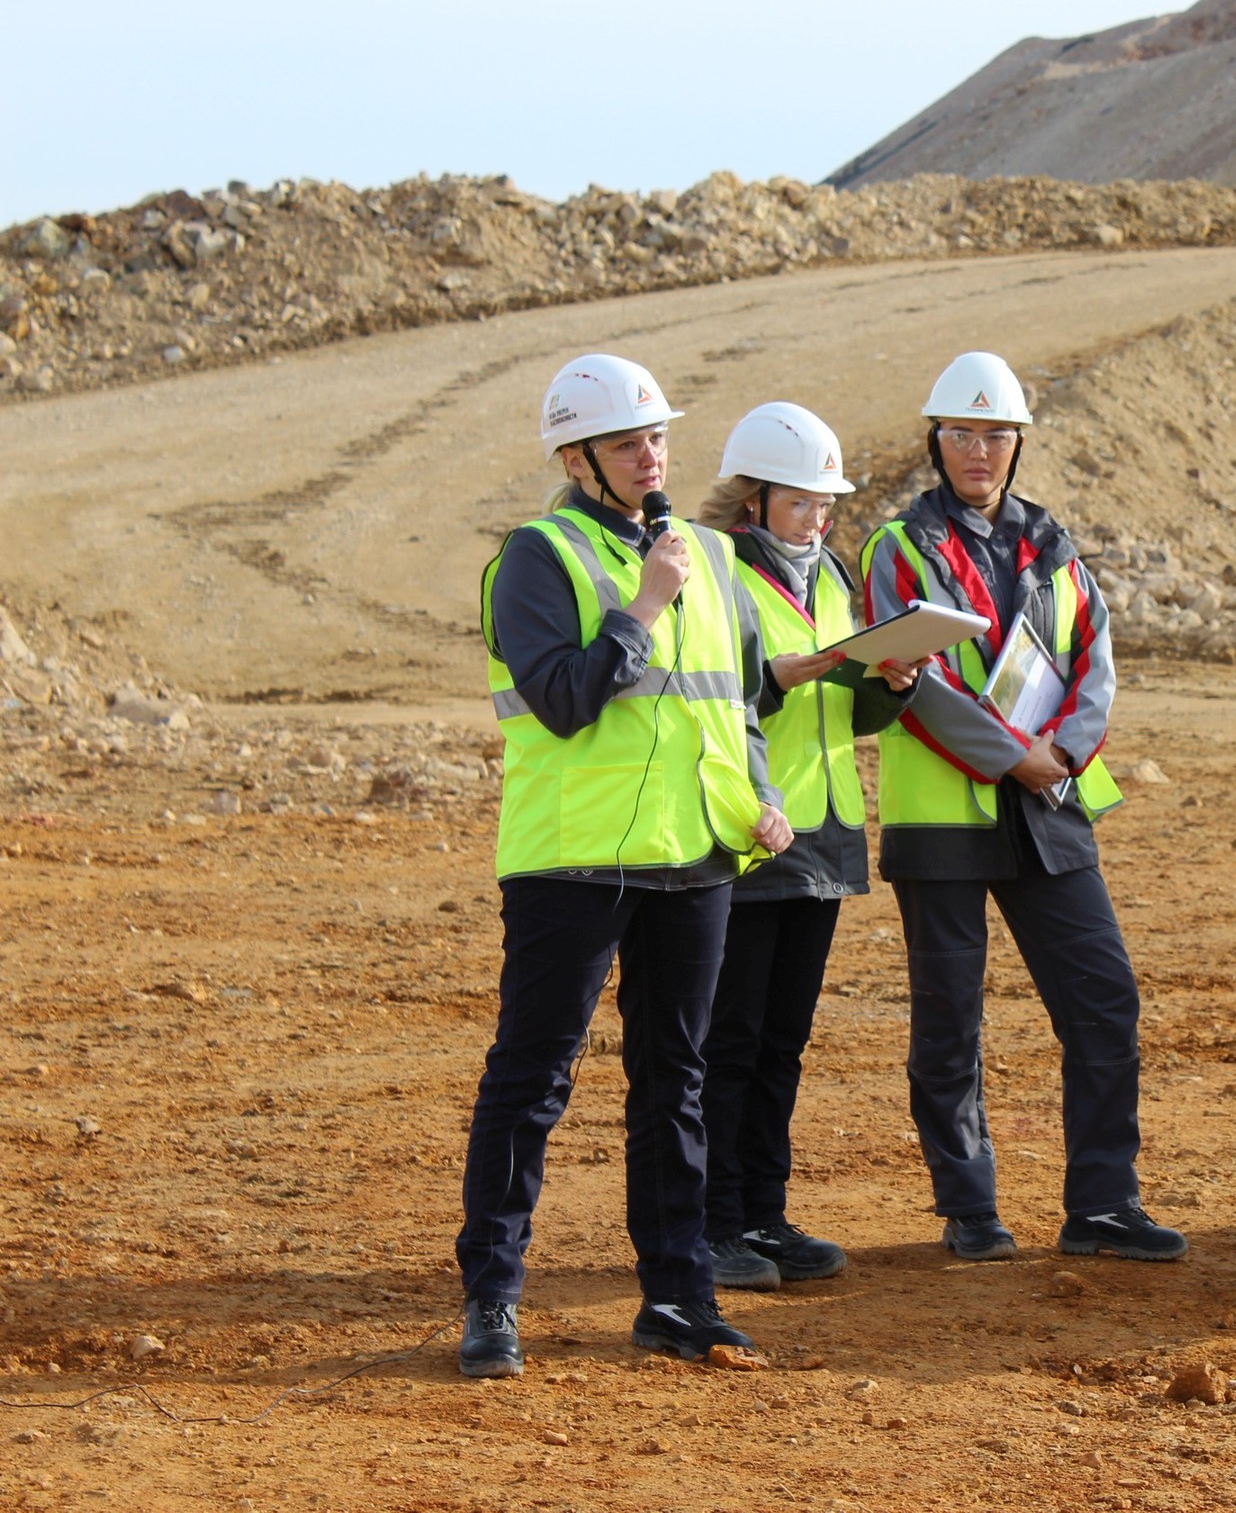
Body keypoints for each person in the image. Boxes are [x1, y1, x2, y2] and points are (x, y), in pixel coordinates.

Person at [456, 354, 793, 1378]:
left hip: (693, 858)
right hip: (573, 862)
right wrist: (640, 607)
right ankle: (492, 1301)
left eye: (656, 438)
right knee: (531, 1081)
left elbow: (733, 700)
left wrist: (761, 794)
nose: (650, 457)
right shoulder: (536, 555)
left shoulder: (705, 552)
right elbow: (564, 699)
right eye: (625, 443)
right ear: (576, 457)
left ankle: (678, 1297)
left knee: (676, 1084)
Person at [859, 350, 1185, 1263]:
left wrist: (1066, 754)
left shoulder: (1055, 546)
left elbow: (1094, 660)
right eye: (960, 432)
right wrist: (1018, 758)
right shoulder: (900, 547)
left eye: (995, 433)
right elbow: (914, 681)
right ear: (936, 441)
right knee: (949, 1024)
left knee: (1102, 1001)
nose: (978, 449)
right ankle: (969, 1209)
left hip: (1049, 813)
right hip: (946, 824)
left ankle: (1103, 1204)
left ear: (1018, 443)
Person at [694, 402, 923, 1290]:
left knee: (782, 1041)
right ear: (752, 502)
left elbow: (852, 714)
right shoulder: (718, 576)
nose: (820, 518)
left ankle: (763, 1213)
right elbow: (709, 695)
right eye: (802, 504)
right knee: (732, 1040)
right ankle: (714, 1223)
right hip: (751, 833)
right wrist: (776, 679)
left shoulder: (831, 575)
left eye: (827, 503)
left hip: (824, 839)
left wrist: (890, 685)